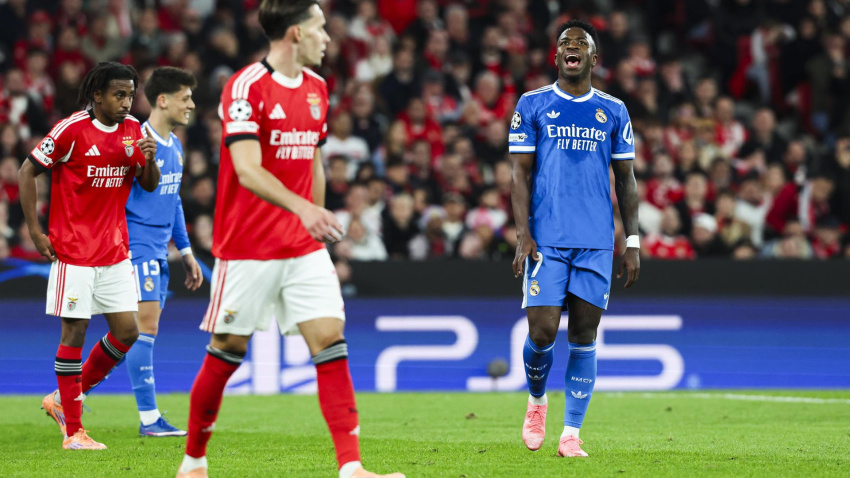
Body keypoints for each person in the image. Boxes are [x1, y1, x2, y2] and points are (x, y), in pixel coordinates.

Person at [176, 2, 404, 478]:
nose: (328, 38)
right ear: (297, 33)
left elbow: (313, 161)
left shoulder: (319, 88)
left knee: (330, 341)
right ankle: (194, 461)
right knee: (227, 349)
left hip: (302, 246)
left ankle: (352, 467)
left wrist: (314, 219)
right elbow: (246, 168)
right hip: (248, 246)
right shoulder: (244, 88)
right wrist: (302, 207)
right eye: (321, 29)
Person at [508, 19, 641, 458]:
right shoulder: (532, 104)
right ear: (556, 56)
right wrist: (523, 233)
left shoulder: (614, 110)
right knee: (543, 330)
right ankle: (537, 401)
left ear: (593, 57)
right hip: (546, 238)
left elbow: (627, 181)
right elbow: (518, 175)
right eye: (565, 42)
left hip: (596, 242)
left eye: (580, 43)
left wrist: (633, 242)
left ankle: (571, 434)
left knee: (584, 332)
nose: (572, 46)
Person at [18, 61, 160, 450]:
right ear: (97, 95)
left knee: (128, 331)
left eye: (131, 95)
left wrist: (149, 158)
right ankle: (73, 432)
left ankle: (64, 400)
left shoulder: (134, 132)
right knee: (75, 331)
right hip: (74, 249)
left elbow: (147, 185)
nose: (126, 102)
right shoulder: (71, 130)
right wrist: (35, 230)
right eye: (118, 94)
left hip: (115, 250)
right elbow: (27, 172)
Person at [122, 66, 204, 436]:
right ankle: (149, 419)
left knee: (127, 335)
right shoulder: (137, 141)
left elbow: (173, 202)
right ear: (162, 100)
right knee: (144, 329)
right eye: (185, 98)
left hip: (160, 248)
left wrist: (185, 250)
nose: (191, 105)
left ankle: (64, 397)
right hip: (136, 247)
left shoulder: (175, 146)